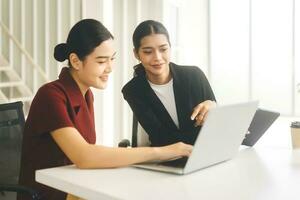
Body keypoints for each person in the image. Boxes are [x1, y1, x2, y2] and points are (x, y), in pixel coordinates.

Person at [18, 19, 193, 200]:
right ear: (76, 61)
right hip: (50, 194)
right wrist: (162, 152)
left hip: (74, 187)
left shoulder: (86, 95)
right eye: (102, 61)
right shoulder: (51, 95)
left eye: (112, 59)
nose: (110, 68)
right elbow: (85, 156)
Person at [122, 20, 216, 147]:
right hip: (167, 160)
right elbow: (161, 137)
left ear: (170, 48)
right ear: (136, 54)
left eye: (163, 49)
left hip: (207, 152)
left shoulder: (194, 75)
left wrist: (214, 107)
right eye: (148, 51)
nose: (157, 57)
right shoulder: (133, 90)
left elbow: (217, 125)